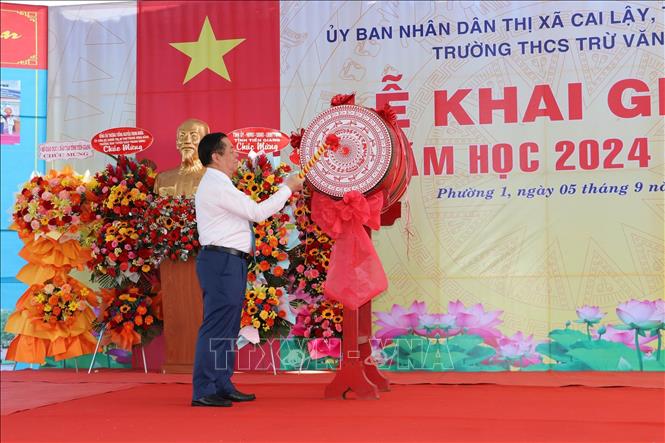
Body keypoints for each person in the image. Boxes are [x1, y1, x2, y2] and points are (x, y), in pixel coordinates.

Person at [192, 132, 304, 407]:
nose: (236, 154)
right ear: (215, 156)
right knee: (217, 325)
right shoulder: (216, 185)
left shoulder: (221, 183)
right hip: (221, 262)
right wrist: (288, 188)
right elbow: (257, 212)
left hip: (229, 261)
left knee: (228, 327)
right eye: (230, 150)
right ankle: (205, 388)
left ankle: (221, 383)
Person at [154, 118, 210, 197]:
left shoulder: (216, 178)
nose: (187, 141)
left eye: (194, 136)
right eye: (182, 136)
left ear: (205, 143)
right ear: (177, 143)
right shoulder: (162, 179)